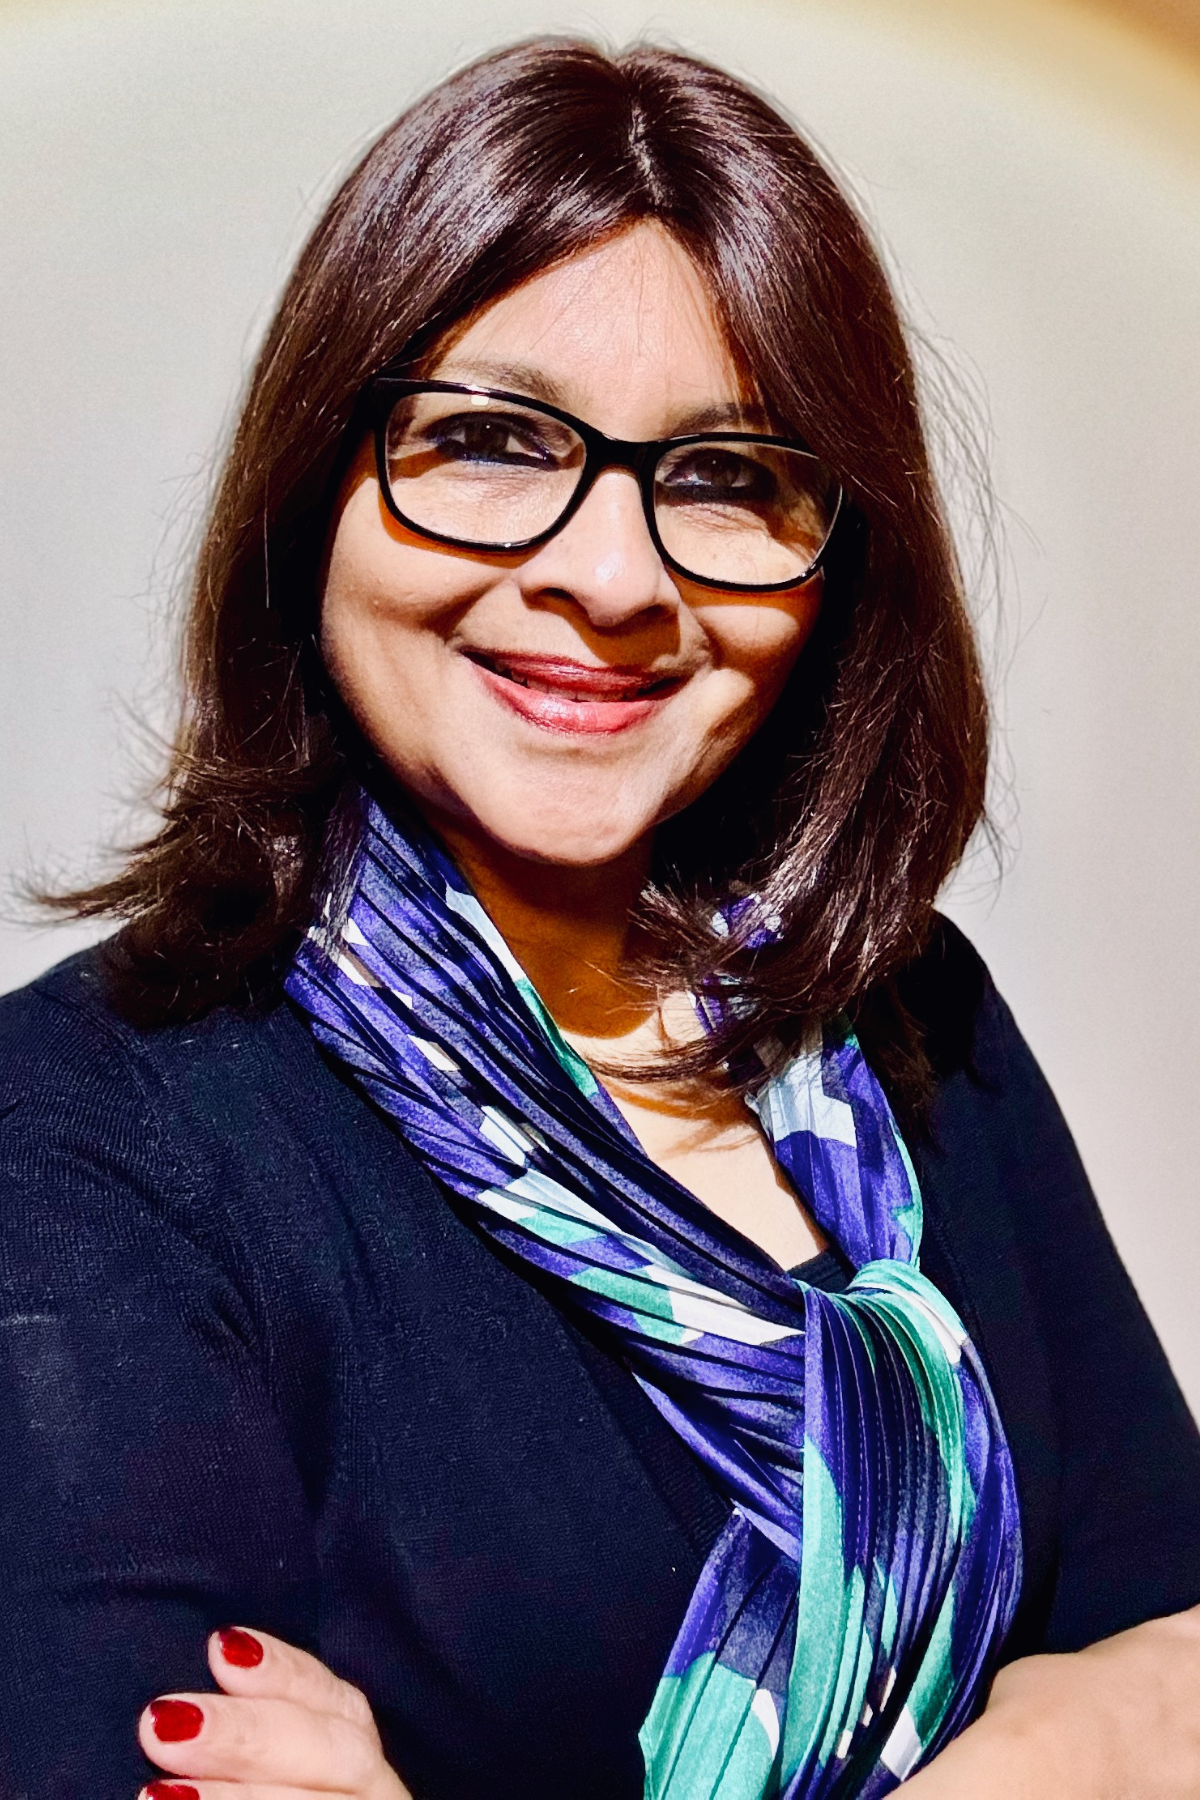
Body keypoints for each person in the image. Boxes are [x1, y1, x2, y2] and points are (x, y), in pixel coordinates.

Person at [1, 36, 1198, 1800]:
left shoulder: (907, 1011)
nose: (615, 578)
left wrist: (1088, 1732)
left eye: (725, 476)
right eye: (487, 441)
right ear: (311, 487)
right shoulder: (86, 1143)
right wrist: (1086, 1734)